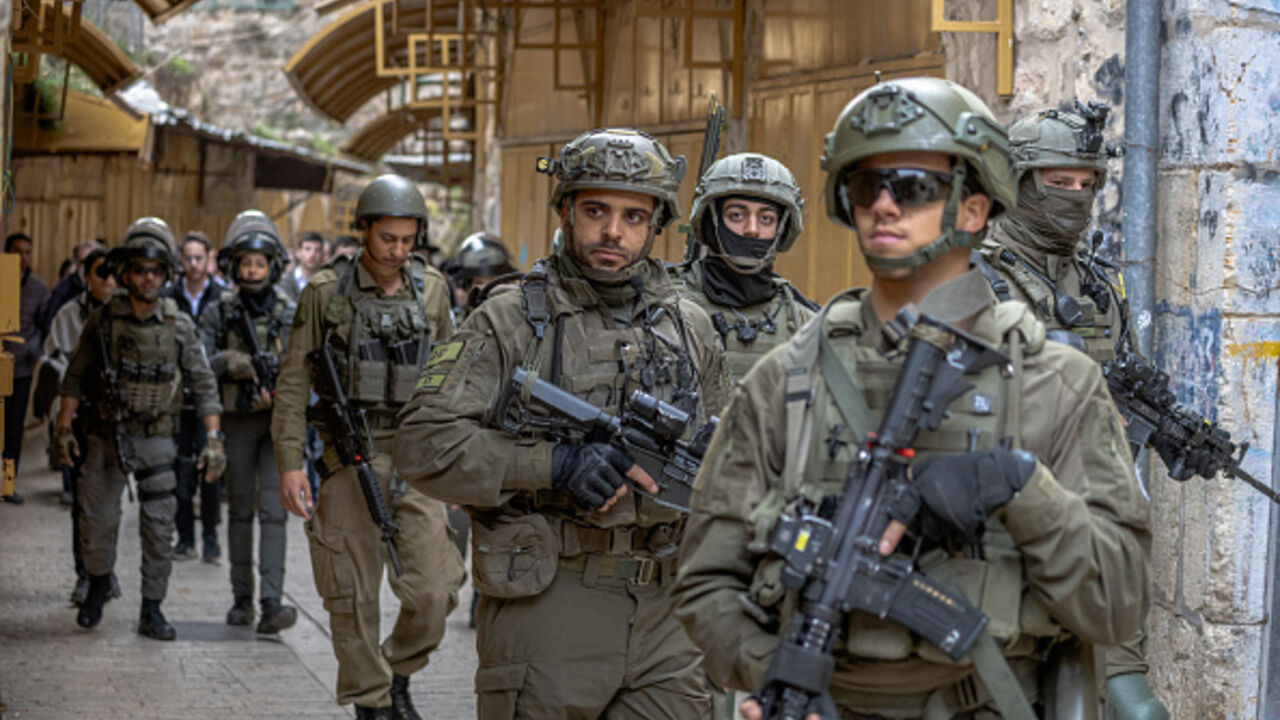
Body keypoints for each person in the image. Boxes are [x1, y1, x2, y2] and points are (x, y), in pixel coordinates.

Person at [672, 77, 1152, 719]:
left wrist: (1018, 485)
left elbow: (1118, 601)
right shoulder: (786, 380)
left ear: (974, 210)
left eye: (914, 186)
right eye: (867, 185)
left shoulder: (1053, 384)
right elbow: (705, 583)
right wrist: (780, 673)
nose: (885, 206)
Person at [395, 128, 730, 720]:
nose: (613, 231)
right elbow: (424, 445)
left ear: (656, 224)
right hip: (550, 603)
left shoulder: (690, 326)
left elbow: (730, 454)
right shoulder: (509, 320)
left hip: (669, 617)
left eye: (633, 216)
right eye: (596, 211)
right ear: (566, 211)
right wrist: (554, 465)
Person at [974, 103, 1169, 720]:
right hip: (1000, 544)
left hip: (1095, 536)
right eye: (1059, 182)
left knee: (1132, 707)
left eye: (1087, 184)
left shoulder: (1099, 287)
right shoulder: (973, 279)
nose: (1076, 197)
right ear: (1018, 182)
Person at [272, 175, 464, 720]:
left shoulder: (432, 290)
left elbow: (453, 379)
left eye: (408, 240)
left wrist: (459, 461)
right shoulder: (325, 292)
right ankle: (372, 701)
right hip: (347, 455)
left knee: (435, 590)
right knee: (351, 593)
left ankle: (397, 672)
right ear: (364, 231)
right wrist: (289, 462)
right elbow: (293, 382)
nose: (398, 251)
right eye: (387, 239)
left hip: (417, 457)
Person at [55, 217, 225, 640]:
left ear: (165, 274)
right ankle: (98, 584)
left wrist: (214, 439)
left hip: (158, 438)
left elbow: (204, 383)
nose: (147, 278)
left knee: (159, 526)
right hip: (106, 437)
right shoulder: (103, 322)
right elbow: (74, 377)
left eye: (155, 271)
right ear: (126, 273)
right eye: (139, 270)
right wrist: (63, 428)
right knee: (96, 519)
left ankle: (152, 607)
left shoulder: (178, 325)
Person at [200, 211, 299, 634]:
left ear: (272, 266)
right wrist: (230, 361)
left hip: (277, 424)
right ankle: (242, 600)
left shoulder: (289, 312)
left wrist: (277, 387)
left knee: (275, 513)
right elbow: (200, 363)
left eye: (260, 263)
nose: (253, 270)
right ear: (234, 267)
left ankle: (271, 602)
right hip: (237, 421)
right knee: (240, 511)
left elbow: (301, 365)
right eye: (246, 263)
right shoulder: (219, 311)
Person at [674, 152, 817, 382]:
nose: (752, 229)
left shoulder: (802, 321)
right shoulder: (665, 306)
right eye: (737, 215)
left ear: (781, 227)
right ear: (712, 220)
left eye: (766, 218)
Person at [43, 249, 121, 605]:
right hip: (81, 419)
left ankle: (105, 570)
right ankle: (85, 574)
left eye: (114, 274)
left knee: (111, 504)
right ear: (87, 277)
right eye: (101, 273)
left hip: (115, 424)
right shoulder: (69, 316)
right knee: (83, 503)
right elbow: (55, 363)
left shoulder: (127, 314)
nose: (108, 281)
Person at [165, 230, 224, 562]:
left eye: (199, 258)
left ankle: (211, 537)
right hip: (177, 398)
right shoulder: (169, 296)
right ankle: (185, 537)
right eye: (188, 258)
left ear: (209, 259)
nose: (194, 264)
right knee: (180, 469)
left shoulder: (222, 297)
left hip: (210, 397)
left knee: (211, 467)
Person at [3, 232, 51, 504]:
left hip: (20, 369)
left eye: (27, 252)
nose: (23, 257)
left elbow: (44, 328)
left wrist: (32, 351)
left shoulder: (39, 289)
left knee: (13, 428)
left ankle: (8, 484)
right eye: (17, 251)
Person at [39, 238, 105, 335]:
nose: (86, 266)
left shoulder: (107, 287)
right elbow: (50, 325)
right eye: (83, 262)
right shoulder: (63, 289)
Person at [280, 230, 327, 302]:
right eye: (307, 249)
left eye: (317, 250)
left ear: (322, 255)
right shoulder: (285, 283)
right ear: (298, 252)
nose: (312, 254)